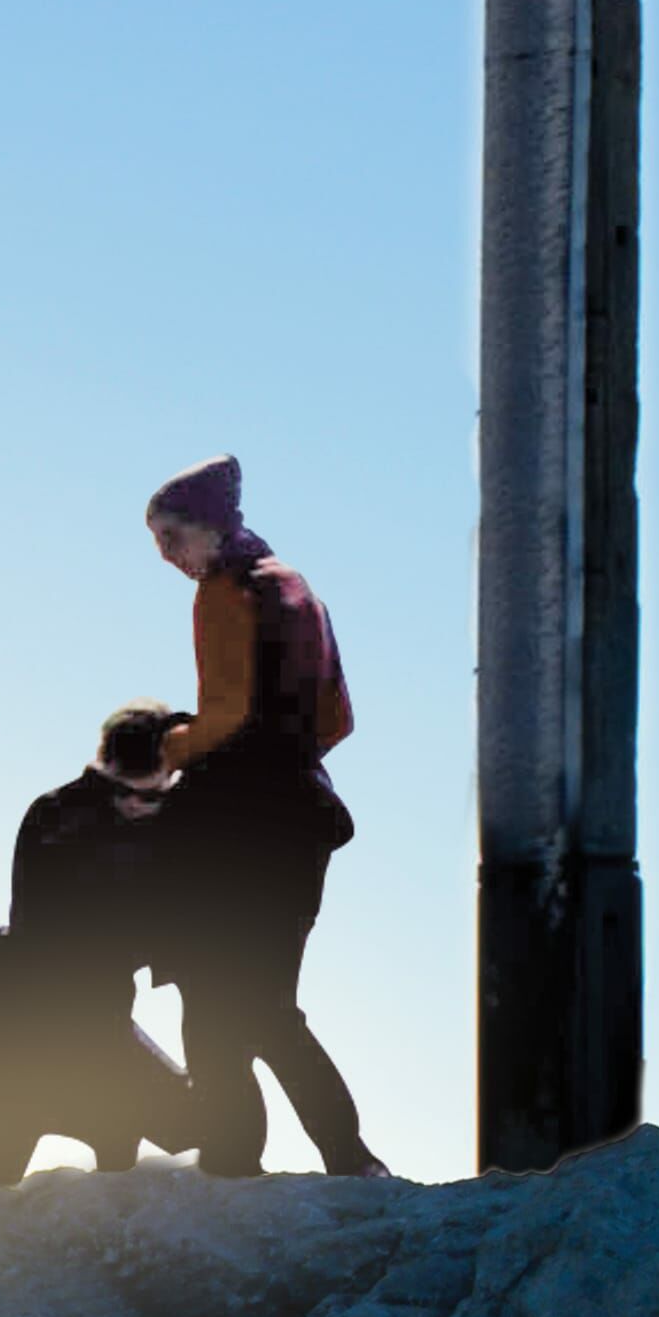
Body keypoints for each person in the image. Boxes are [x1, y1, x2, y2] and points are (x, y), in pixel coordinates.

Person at [141, 454, 387, 1178]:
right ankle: (347, 1158)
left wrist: (165, 752)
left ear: (208, 530)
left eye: (171, 539)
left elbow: (225, 713)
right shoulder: (296, 586)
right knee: (266, 1002)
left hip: (239, 831)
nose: (167, 559)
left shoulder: (226, 591)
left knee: (219, 1002)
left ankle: (240, 1166)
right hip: (301, 823)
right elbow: (337, 717)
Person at [0, 703, 204, 1179]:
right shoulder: (59, 815)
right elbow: (46, 920)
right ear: (108, 768)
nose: (139, 805)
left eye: (154, 795)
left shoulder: (150, 823)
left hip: (93, 1012)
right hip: (37, 1013)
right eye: (129, 793)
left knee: (117, 1150)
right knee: (7, 1141)